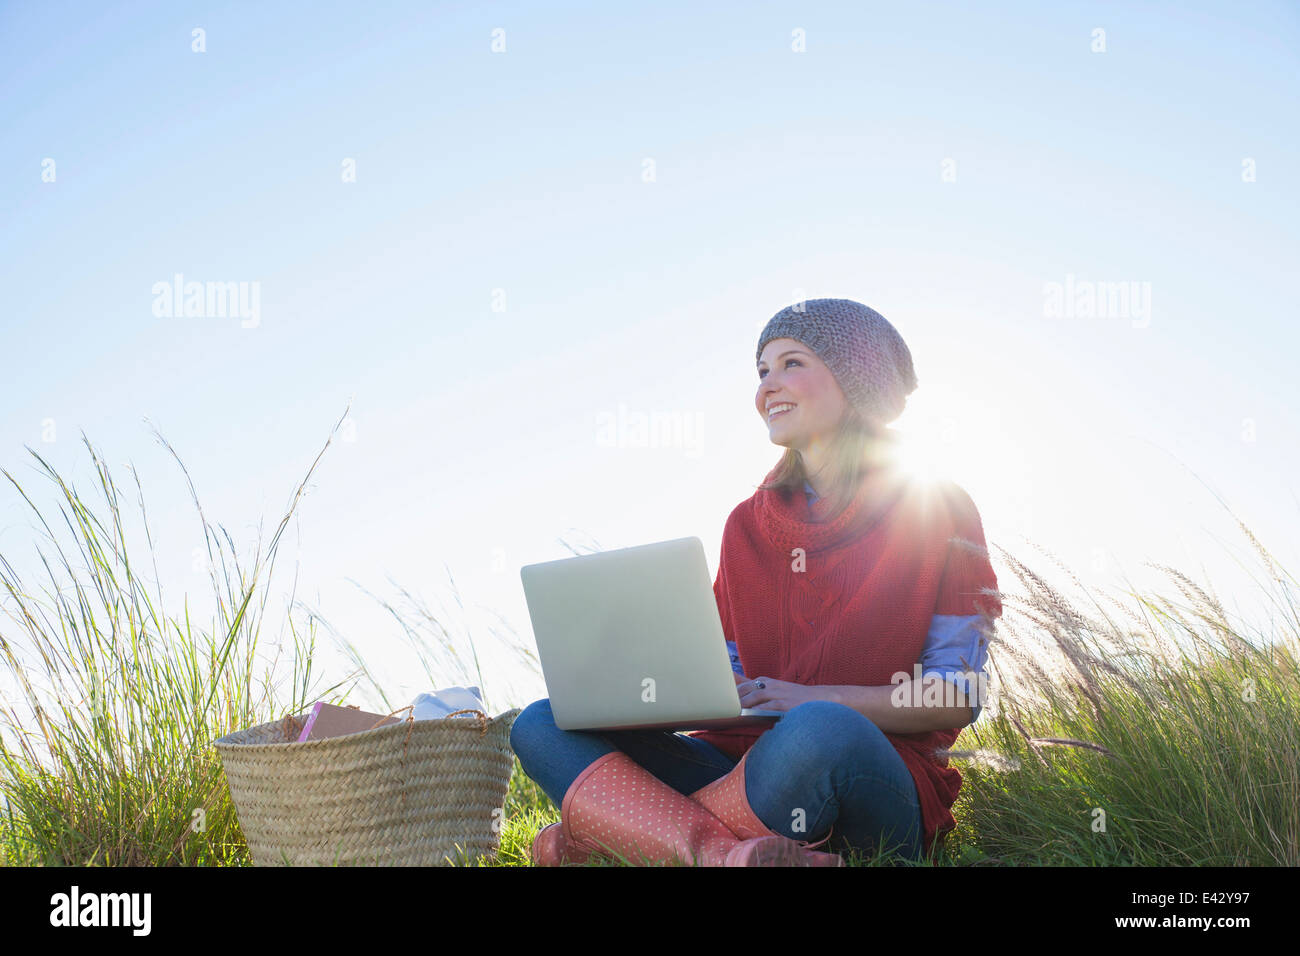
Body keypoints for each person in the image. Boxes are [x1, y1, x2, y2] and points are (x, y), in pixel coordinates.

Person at [510, 298, 1003, 867]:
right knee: (545, 722)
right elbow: (728, 677)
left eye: (792, 363)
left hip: (860, 772)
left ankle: (617, 839)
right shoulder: (746, 524)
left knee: (820, 730)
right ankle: (726, 856)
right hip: (738, 765)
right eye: (761, 370)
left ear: (856, 382)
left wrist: (812, 699)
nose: (768, 385)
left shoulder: (936, 505)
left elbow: (956, 696)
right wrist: (648, 698)